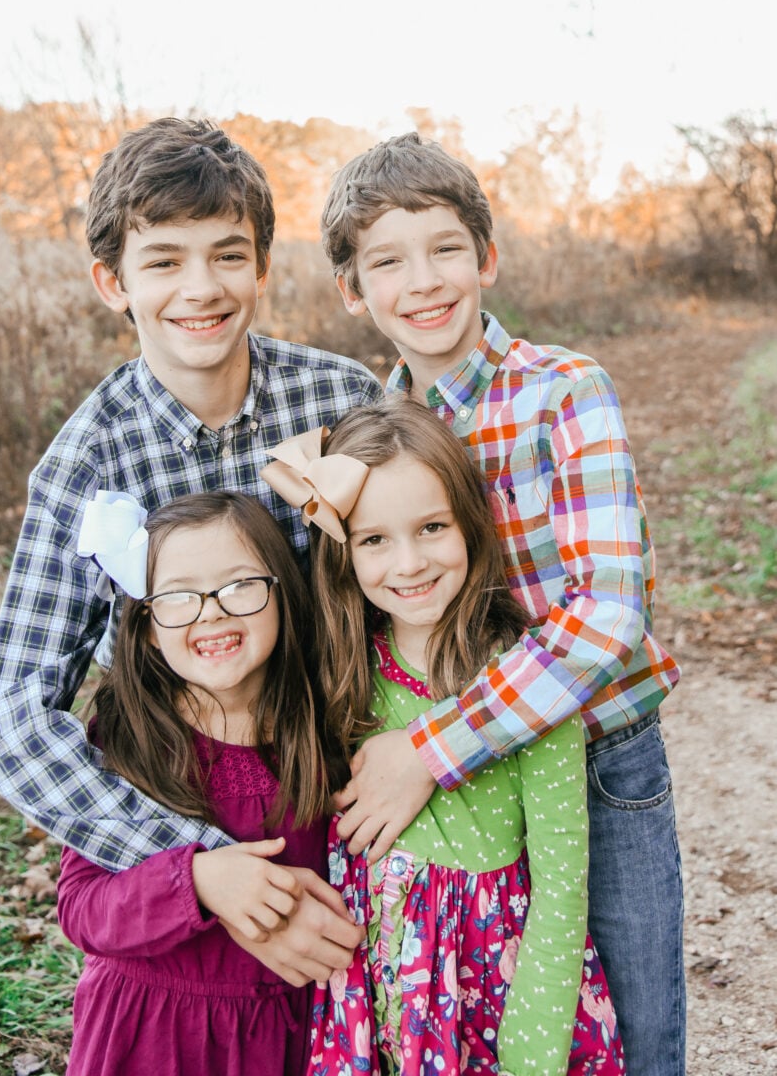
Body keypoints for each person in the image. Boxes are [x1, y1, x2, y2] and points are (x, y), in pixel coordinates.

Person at [0, 118, 375, 984]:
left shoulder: (344, 400)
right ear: (111, 282)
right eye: (163, 261)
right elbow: (12, 714)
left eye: (228, 255)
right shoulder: (85, 466)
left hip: (355, 797)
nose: (201, 287)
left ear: (262, 267)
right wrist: (197, 863)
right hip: (201, 804)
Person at [317, 133, 684, 1076]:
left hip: (595, 757)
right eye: (386, 261)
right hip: (456, 779)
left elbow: (606, 616)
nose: (423, 280)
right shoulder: (371, 432)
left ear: (486, 256)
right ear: (354, 291)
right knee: (467, 1001)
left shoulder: (563, 393)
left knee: (629, 1022)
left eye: (444, 248)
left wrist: (430, 750)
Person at [262, 399, 626, 1075]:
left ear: (468, 524)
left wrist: (533, 1049)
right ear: (343, 551)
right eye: (373, 539)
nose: (408, 563)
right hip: (373, 990)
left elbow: (560, 887)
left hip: (494, 987)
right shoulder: (344, 674)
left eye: (431, 527)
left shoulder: (526, 687)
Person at [57, 491, 344, 1075]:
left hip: (284, 1034)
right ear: (146, 627)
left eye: (240, 585)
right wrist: (198, 881)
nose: (211, 612)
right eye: (179, 596)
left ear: (283, 596)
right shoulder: (127, 739)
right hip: (154, 1035)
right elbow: (82, 908)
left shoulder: (322, 727)